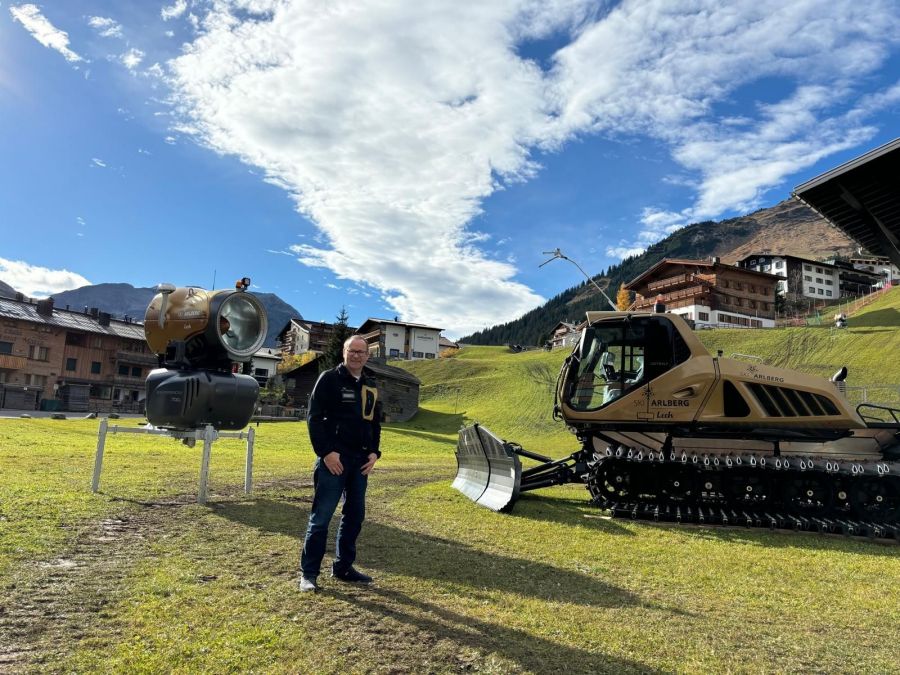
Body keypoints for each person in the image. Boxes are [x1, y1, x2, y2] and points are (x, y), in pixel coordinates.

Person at [299, 335, 381, 592]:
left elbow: (374, 422)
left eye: (361, 352)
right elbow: (314, 418)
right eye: (351, 351)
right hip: (334, 460)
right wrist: (326, 453)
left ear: (367, 355)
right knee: (321, 518)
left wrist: (374, 453)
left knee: (354, 516)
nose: (356, 355)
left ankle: (343, 567)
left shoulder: (370, 384)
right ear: (344, 353)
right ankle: (308, 575)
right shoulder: (329, 379)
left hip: (360, 463)